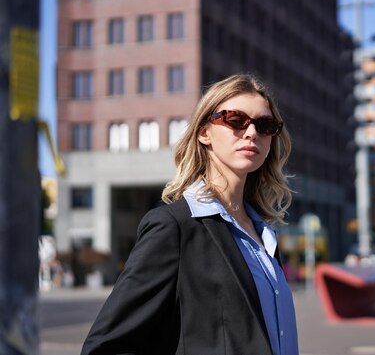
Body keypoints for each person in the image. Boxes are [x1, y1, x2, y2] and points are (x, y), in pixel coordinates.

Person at [81, 74, 298, 355]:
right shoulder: (174, 227)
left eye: (265, 125)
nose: (251, 132)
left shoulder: (264, 235)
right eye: (235, 120)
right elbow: (105, 347)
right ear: (203, 132)